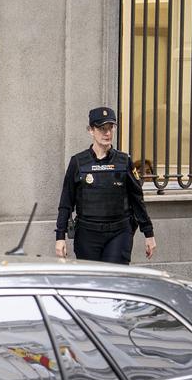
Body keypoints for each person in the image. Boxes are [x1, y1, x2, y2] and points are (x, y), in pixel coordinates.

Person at [55, 106, 156, 264]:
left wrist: (148, 233)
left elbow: (137, 199)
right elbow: (66, 202)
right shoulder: (78, 162)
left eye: (110, 128)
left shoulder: (124, 161)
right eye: (102, 128)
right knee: (92, 282)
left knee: (115, 279)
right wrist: (59, 237)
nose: (107, 133)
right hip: (87, 235)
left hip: (119, 233)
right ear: (91, 130)